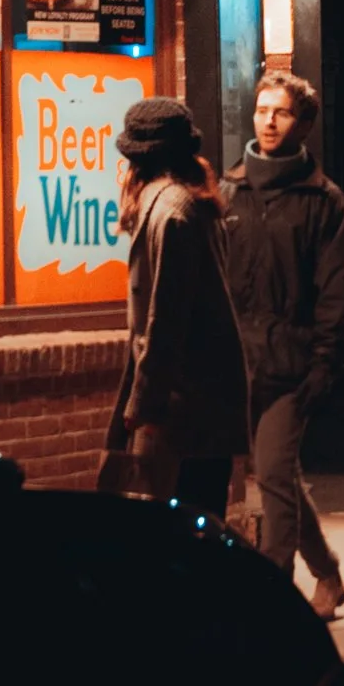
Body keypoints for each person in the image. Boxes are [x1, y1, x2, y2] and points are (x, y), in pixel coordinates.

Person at [217, 68, 344, 621]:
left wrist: (325, 361)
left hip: (290, 362)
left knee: (272, 471)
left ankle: (272, 598)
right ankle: (328, 571)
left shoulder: (324, 201)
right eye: (261, 110)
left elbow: (336, 291)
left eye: (281, 112)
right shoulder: (229, 190)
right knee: (280, 477)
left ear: (304, 124)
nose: (267, 121)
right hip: (236, 360)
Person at [105, 96, 249, 519]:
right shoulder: (188, 202)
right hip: (199, 409)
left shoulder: (168, 212)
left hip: (183, 412)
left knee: (176, 537)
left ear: (139, 161)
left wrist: (141, 408)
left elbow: (165, 322)